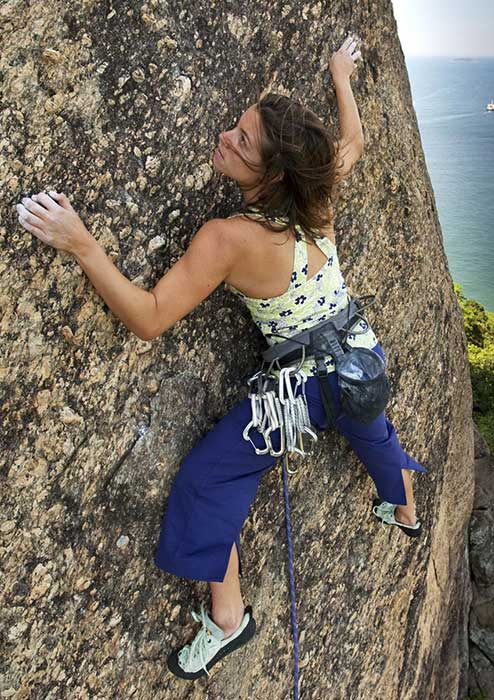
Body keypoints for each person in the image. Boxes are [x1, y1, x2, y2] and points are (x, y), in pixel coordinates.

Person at [15, 33, 428, 680]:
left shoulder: (228, 239)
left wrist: (84, 246)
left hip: (298, 392)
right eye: (235, 126)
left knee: (210, 479)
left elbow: (150, 319)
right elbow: (353, 144)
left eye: (241, 141)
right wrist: (340, 76)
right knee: (370, 425)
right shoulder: (316, 196)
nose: (224, 136)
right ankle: (403, 508)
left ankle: (230, 620)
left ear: (270, 176)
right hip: (357, 353)